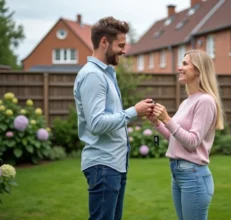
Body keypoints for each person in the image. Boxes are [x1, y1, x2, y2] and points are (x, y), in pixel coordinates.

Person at [73, 16, 154, 220]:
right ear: (104, 42)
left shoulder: (107, 74)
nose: (123, 50)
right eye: (120, 45)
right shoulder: (93, 76)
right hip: (103, 165)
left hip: (114, 164)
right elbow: (97, 123)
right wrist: (133, 111)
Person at [147, 50, 224, 220]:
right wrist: (157, 123)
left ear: (198, 70)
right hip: (179, 174)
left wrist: (167, 118)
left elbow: (192, 142)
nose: (179, 68)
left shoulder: (205, 101)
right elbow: (176, 138)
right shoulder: (187, 101)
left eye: (184, 64)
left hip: (193, 175)